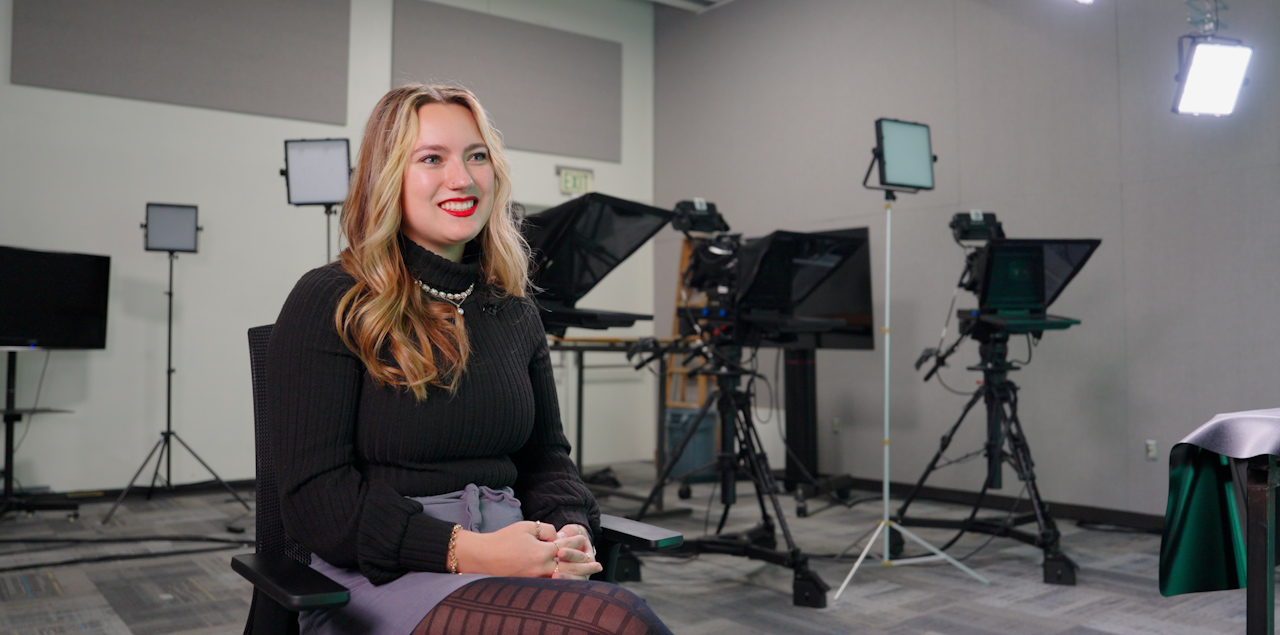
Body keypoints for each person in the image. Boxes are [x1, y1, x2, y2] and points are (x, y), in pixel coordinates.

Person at [266, 84, 672, 635]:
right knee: (615, 624)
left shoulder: (514, 311)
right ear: (388, 177)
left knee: (610, 617)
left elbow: (547, 461)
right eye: (432, 158)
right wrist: (470, 552)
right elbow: (317, 502)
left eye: (476, 155)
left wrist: (569, 528)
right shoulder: (332, 300)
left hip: (513, 559)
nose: (462, 178)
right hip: (383, 575)